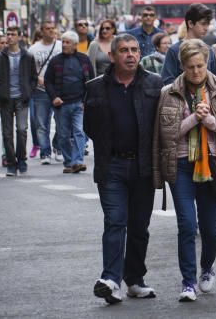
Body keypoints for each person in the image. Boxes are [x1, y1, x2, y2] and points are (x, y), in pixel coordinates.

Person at [154, 39, 216, 302]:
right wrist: (193, 119)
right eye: (190, 67)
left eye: (200, 65)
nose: (196, 72)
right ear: (182, 66)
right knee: (186, 225)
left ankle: (207, 268)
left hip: (213, 165)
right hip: (181, 165)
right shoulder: (169, 93)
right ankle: (188, 282)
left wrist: (209, 120)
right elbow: (166, 136)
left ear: (206, 62)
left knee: (210, 229)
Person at [83, 33, 163, 304]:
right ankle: (110, 280)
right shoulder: (95, 87)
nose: (130, 55)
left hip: (143, 166)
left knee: (139, 226)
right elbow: (89, 127)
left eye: (134, 50)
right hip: (112, 165)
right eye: (124, 50)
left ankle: (135, 281)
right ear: (112, 56)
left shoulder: (154, 84)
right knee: (115, 221)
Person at [45, 31, 95, 173]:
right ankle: (68, 162)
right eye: (63, 42)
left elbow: (91, 81)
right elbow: (48, 81)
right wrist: (54, 97)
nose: (64, 45)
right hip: (61, 105)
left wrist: (86, 100)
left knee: (79, 132)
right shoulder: (55, 61)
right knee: (63, 135)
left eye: (67, 42)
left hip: (79, 103)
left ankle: (78, 161)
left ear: (74, 44)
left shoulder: (84, 59)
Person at [0, 26, 38, 176]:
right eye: (8, 34)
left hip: (22, 98)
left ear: (19, 37)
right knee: (7, 133)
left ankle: (22, 160)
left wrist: (28, 92)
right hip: (5, 99)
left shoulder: (28, 56)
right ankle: (11, 164)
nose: (10, 37)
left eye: (13, 34)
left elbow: (33, 78)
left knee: (21, 130)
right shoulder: (0, 57)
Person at [159, 4, 216, 85]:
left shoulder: (209, 50)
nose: (206, 28)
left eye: (208, 24)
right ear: (190, 23)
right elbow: (167, 80)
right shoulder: (174, 50)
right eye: (203, 23)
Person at [29, 20, 62, 164]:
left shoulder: (61, 46)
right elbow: (29, 71)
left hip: (59, 90)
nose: (50, 30)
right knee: (42, 124)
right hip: (40, 91)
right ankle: (45, 153)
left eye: (53, 28)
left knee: (62, 122)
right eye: (47, 28)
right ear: (42, 31)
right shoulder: (33, 49)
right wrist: (38, 79)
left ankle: (58, 147)